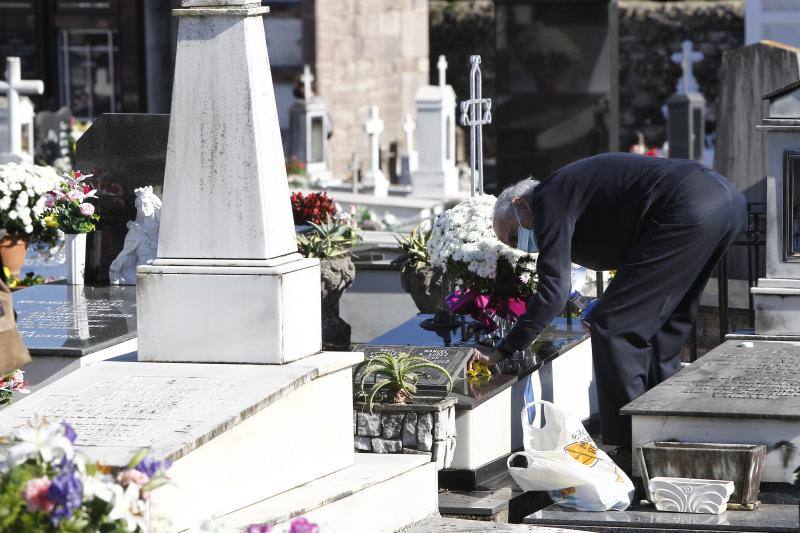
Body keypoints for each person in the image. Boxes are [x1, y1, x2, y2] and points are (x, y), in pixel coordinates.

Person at [468, 152, 747, 448]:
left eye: (513, 235)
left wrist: (503, 350)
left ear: (521, 205)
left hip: (688, 206)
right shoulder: (569, 191)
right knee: (667, 327)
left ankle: (631, 445)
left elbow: (553, 291)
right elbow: (640, 260)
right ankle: (666, 437)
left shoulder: (548, 198)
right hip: (725, 202)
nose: (520, 247)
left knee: (613, 327)